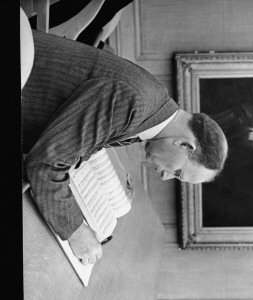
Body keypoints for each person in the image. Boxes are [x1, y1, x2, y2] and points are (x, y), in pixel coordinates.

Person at [22, 30, 228, 265]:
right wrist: (76, 231)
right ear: (184, 144)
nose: (164, 176)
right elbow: (44, 164)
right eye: (177, 173)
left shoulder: (154, 104)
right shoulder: (134, 102)